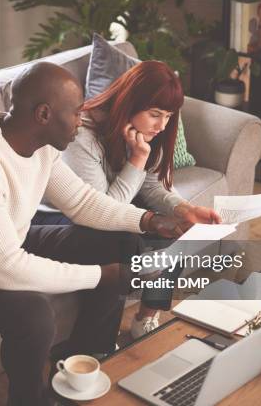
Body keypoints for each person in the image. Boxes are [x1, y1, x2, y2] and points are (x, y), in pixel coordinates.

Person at [0, 62, 193, 406]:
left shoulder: (40, 144)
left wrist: (149, 220)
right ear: (44, 114)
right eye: (75, 112)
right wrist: (105, 275)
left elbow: (83, 203)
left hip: (9, 239)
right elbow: (7, 268)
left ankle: (88, 359)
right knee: (34, 315)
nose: (81, 121)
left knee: (123, 242)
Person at [33, 61, 222, 339]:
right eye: (155, 114)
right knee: (121, 243)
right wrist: (137, 159)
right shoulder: (82, 135)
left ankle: (146, 317)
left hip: (105, 209)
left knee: (180, 226)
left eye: (168, 116)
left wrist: (186, 209)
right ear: (128, 103)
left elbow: (152, 186)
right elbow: (100, 210)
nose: (162, 125)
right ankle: (94, 347)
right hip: (57, 216)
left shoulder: (148, 132)